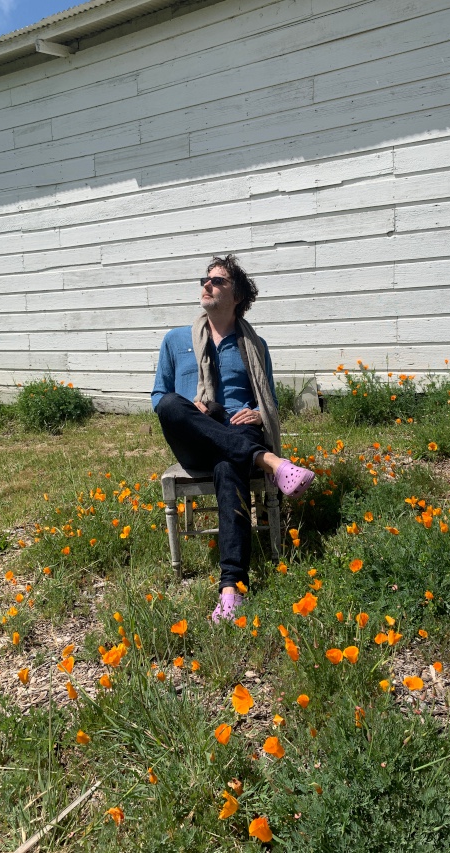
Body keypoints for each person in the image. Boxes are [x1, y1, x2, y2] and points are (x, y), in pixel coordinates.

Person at [152, 254, 314, 622]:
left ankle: (231, 590)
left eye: (218, 280)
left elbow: (268, 401)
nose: (207, 285)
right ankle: (271, 462)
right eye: (205, 279)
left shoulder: (254, 345)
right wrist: (193, 408)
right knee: (173, 405)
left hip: (240, 430)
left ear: (237, 295)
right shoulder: (176, 340)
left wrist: (258, 413)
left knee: (228, 466)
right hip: (194, 436)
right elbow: (158, 397)